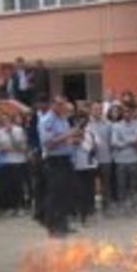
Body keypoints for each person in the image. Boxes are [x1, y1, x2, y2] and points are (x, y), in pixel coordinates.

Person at [39, 99, 80, 236]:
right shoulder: (47, 121)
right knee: (55, 195)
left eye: (63, 104)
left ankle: (63, 224)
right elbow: (48, 143)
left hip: (66, 159)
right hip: (54, 160)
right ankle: (53, 227)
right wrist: (68, 135)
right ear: (53, 105)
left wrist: (73, 139)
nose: (63, 107)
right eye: (60, 105)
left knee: (66, 194)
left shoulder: (63, 120)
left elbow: (64, 140)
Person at [0, 111, 28, 216]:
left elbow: (22, 147)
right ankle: (12, 207)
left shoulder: (18, 130)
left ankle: (21, 206)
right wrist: (9, 148)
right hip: (5, 161)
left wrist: (11, 135)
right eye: (3, 120)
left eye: (7, 119)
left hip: (18, 161)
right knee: (8, 186)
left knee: (18, 185)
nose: (5, 122)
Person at [111, 101, 137, 214]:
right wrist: (130, 141)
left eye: (129, 111)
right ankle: (123, 208)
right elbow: (114, 142)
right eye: (125, 111)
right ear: (122, 113)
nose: (127, 113)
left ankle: (135, 207)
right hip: (120, 161)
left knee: (134, 186)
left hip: (134, 159)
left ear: (133, 112)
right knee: (121, 186)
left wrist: (123, 141)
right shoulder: (116, 126)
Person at [71, 112, 98, 223]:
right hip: (76, 165)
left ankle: (88, 210)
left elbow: (95, 145)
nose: (80, 122)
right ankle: (79, 212)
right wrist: (73, 140)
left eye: (83, 120)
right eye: (78, 120)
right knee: (78, 190)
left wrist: (81, 141)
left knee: (88, 189)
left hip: (89, 164)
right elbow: (67, 145)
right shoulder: (71, 131)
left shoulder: (91, 131)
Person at [88, 101, 115, 213]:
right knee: (90, 184)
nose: (97, 111)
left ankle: (106, 207)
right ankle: (90, 208)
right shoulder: (87, 125)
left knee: (106, 185)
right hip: (91, 160)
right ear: (91, 110)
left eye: (99, 109)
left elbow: (111, 142)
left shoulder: (108, 124)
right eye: (95, 109)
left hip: (106, 158)